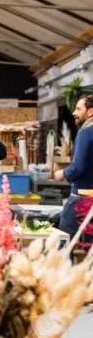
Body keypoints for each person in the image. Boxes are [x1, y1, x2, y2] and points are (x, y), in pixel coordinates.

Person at [54, 94, 93, 242]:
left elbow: (78, 167)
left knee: (63, 243)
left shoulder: (86, 132)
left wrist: (62, 172)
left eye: (78, 109)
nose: (74, 113)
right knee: (89, 249)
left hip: (80, 198)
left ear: (90, 112)